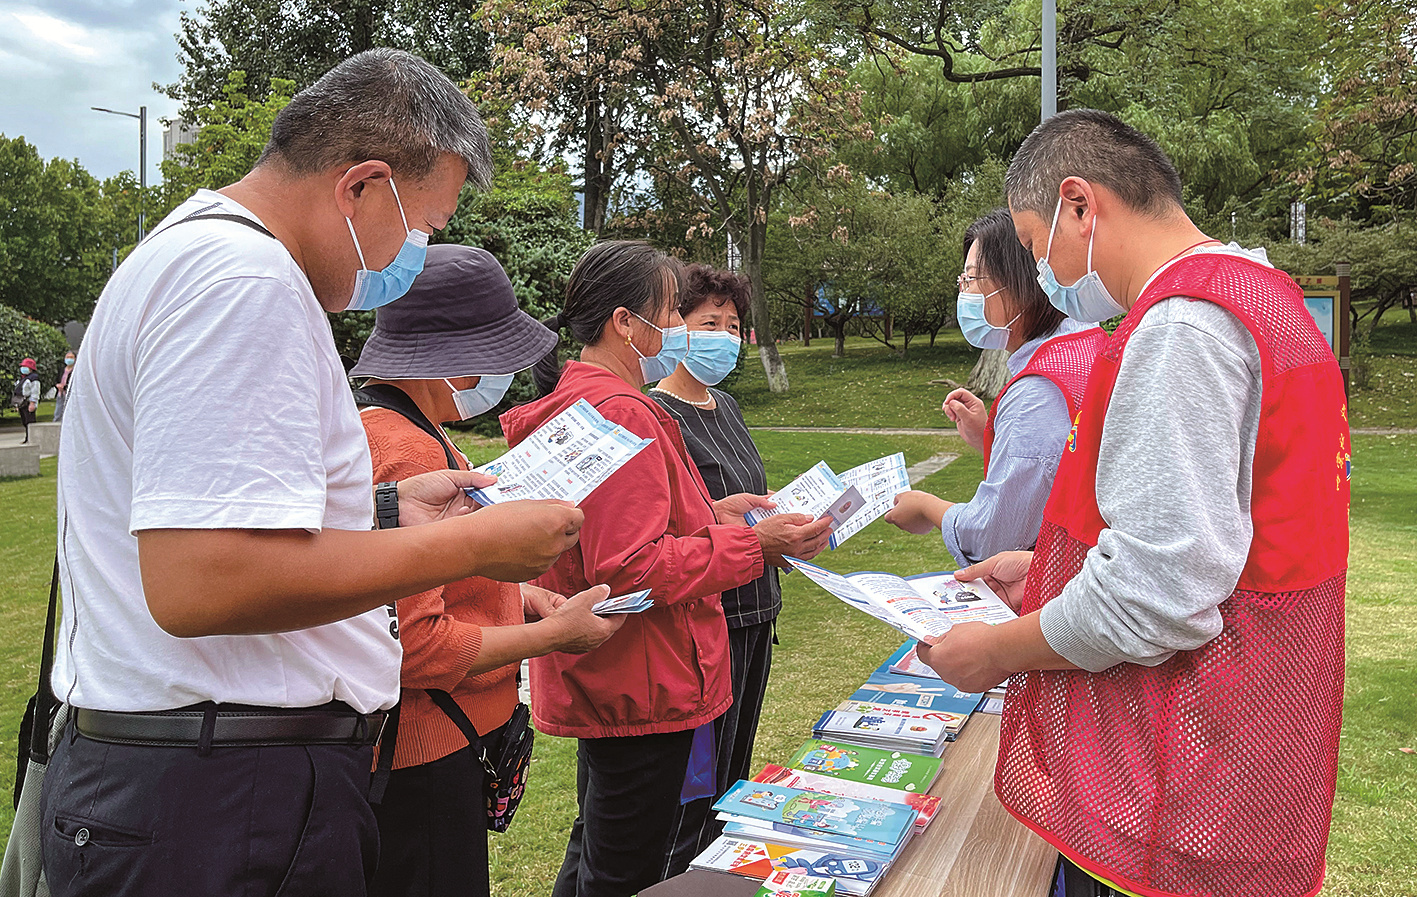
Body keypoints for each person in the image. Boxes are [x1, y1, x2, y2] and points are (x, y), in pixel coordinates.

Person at [41, 49, 585, 897]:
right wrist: (472, 546)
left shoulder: (201, 255)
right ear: (360, 186)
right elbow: (202, 582)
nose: (417, 251)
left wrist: (380, 509)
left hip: (210, 780)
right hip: (222, 797)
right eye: (426, 227)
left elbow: (222, 519)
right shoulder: (242, 281)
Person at [917, 110, 1348, 897]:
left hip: (1176, 756)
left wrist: (995, 651)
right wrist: (1046, 570)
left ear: (1079, 205)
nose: (1042, 271)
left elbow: (1155, 595)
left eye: (1034, 238)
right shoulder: (1262, 294)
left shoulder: (1183, 324)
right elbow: (1215, 526)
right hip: (1244, 731)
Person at [502, 241, 834, 897]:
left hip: (615, 677)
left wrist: (712, 512)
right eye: (672, 313)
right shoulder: (622, 408)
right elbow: (630, 566)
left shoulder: (584, 397)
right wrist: (754, 546)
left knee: (600, 846)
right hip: (647, 683)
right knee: (636, 868)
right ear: (625, 322)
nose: (679, 330)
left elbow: (607, 529)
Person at [349, 243, 625, 897]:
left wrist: (518, 593)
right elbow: (417, 645)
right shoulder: (404, 449)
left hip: (442, 746)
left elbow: (435, 576)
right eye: (493, 350)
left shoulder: (412, 427)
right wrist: (552, 638)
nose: (501, 367)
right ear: (447, 352)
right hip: (424, 757)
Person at [647, 264, 781, 873]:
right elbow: (667, 528)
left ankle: (712, 872)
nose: (724, 336)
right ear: (677, 326)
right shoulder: (656, 413)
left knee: (733, 772)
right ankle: (681, 871)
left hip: (757, 607)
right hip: (706, 618)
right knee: (693, 783)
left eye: (733, 325)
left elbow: (736, 494)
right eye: (710, 323)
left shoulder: (725, 404)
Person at [885, 209, 1104, 564]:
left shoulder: (1037, 393)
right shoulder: (1088, 341)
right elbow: (1055, 468)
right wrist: (992, 434)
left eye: (972, 278)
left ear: (1018, 282)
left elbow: (994, 537)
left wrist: (926, 508)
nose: (963, 290)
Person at [12, 357, 41, 442]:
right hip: (21, 402)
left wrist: (33, 403)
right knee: (24, 421)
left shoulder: (33, 378)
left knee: (30, 421)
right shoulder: (22, 378)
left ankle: (32, 438)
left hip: (28, 402)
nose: (23, 368)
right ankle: (28, 438)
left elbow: (35, 391)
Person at [52, 350, 75, 423]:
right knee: (58, 410)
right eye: (67, 357)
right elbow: (57, 379)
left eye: (71, 357)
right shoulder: (62, 369)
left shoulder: (75, 370)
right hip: (60, 393)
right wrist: (58, 385)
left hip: (70, 393)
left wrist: (64, 387)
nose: (69, 359)